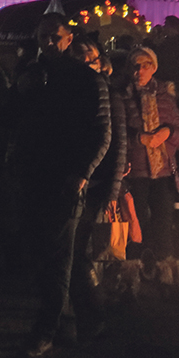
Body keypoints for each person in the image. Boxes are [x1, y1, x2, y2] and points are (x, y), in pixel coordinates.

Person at [3, 14, 111, 357]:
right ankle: (63, 321)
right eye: (43, 35)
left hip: (65, 179)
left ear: (68, 39)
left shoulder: (86, 79)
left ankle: (46, 329)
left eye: (55, 36)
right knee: (38, 252)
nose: (49, 42)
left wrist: (83, 171)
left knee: (60, 255)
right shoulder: (32, 75)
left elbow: (101, 131)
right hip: (31, 175)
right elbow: (12, 120)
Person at [68, 33, 127, 341]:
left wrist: (113, 188)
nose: (80, 61)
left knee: (76, 250)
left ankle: (92, 311)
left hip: (96, 181)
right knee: (73, 249)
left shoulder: (107, 94)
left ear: (99, 60)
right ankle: (86, 312)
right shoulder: (69, 90)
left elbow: (117, 144)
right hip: (78, 178)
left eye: (85, 56)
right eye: (74, 55)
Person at [123, 47, 179, 284]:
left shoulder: (165, 96)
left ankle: (166, 275)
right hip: (135, 171)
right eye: (136, 65)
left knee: (163, 222)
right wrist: (139, 138)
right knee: (134, 224)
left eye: (145, 65)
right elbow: (116, 133)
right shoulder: (123, 95)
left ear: (154, 67)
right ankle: (131, 276)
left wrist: (168, 132)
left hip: (163, 171)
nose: (140, 70)